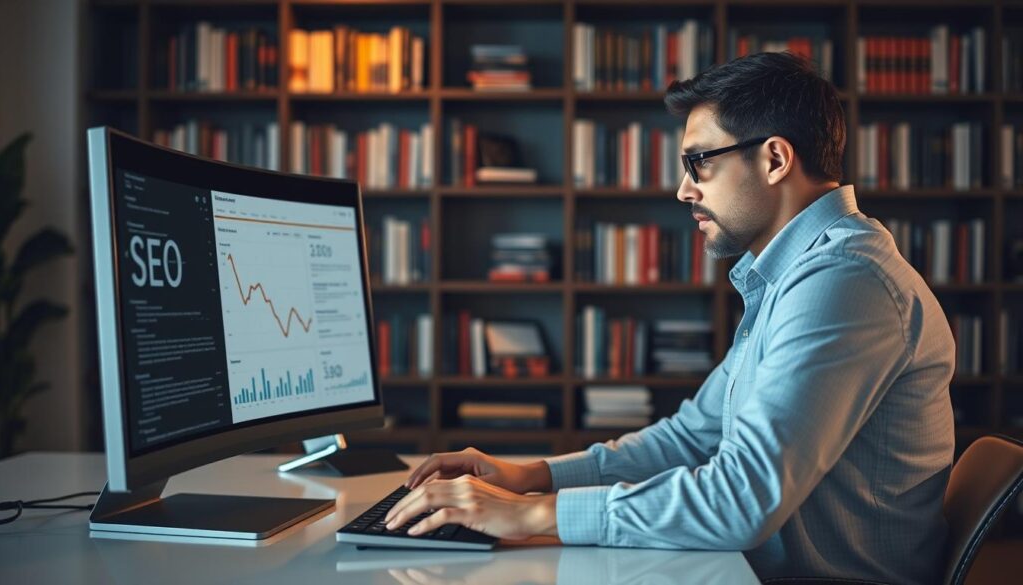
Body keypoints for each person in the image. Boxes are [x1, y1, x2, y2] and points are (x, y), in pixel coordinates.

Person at [383, 52, 956, 585]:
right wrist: (530, 476)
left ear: (775, 159)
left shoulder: (843, 281)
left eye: (698, 163)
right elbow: (690, 438)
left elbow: (742, 500)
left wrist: (530, 514)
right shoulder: (794, 275)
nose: (683, 190)